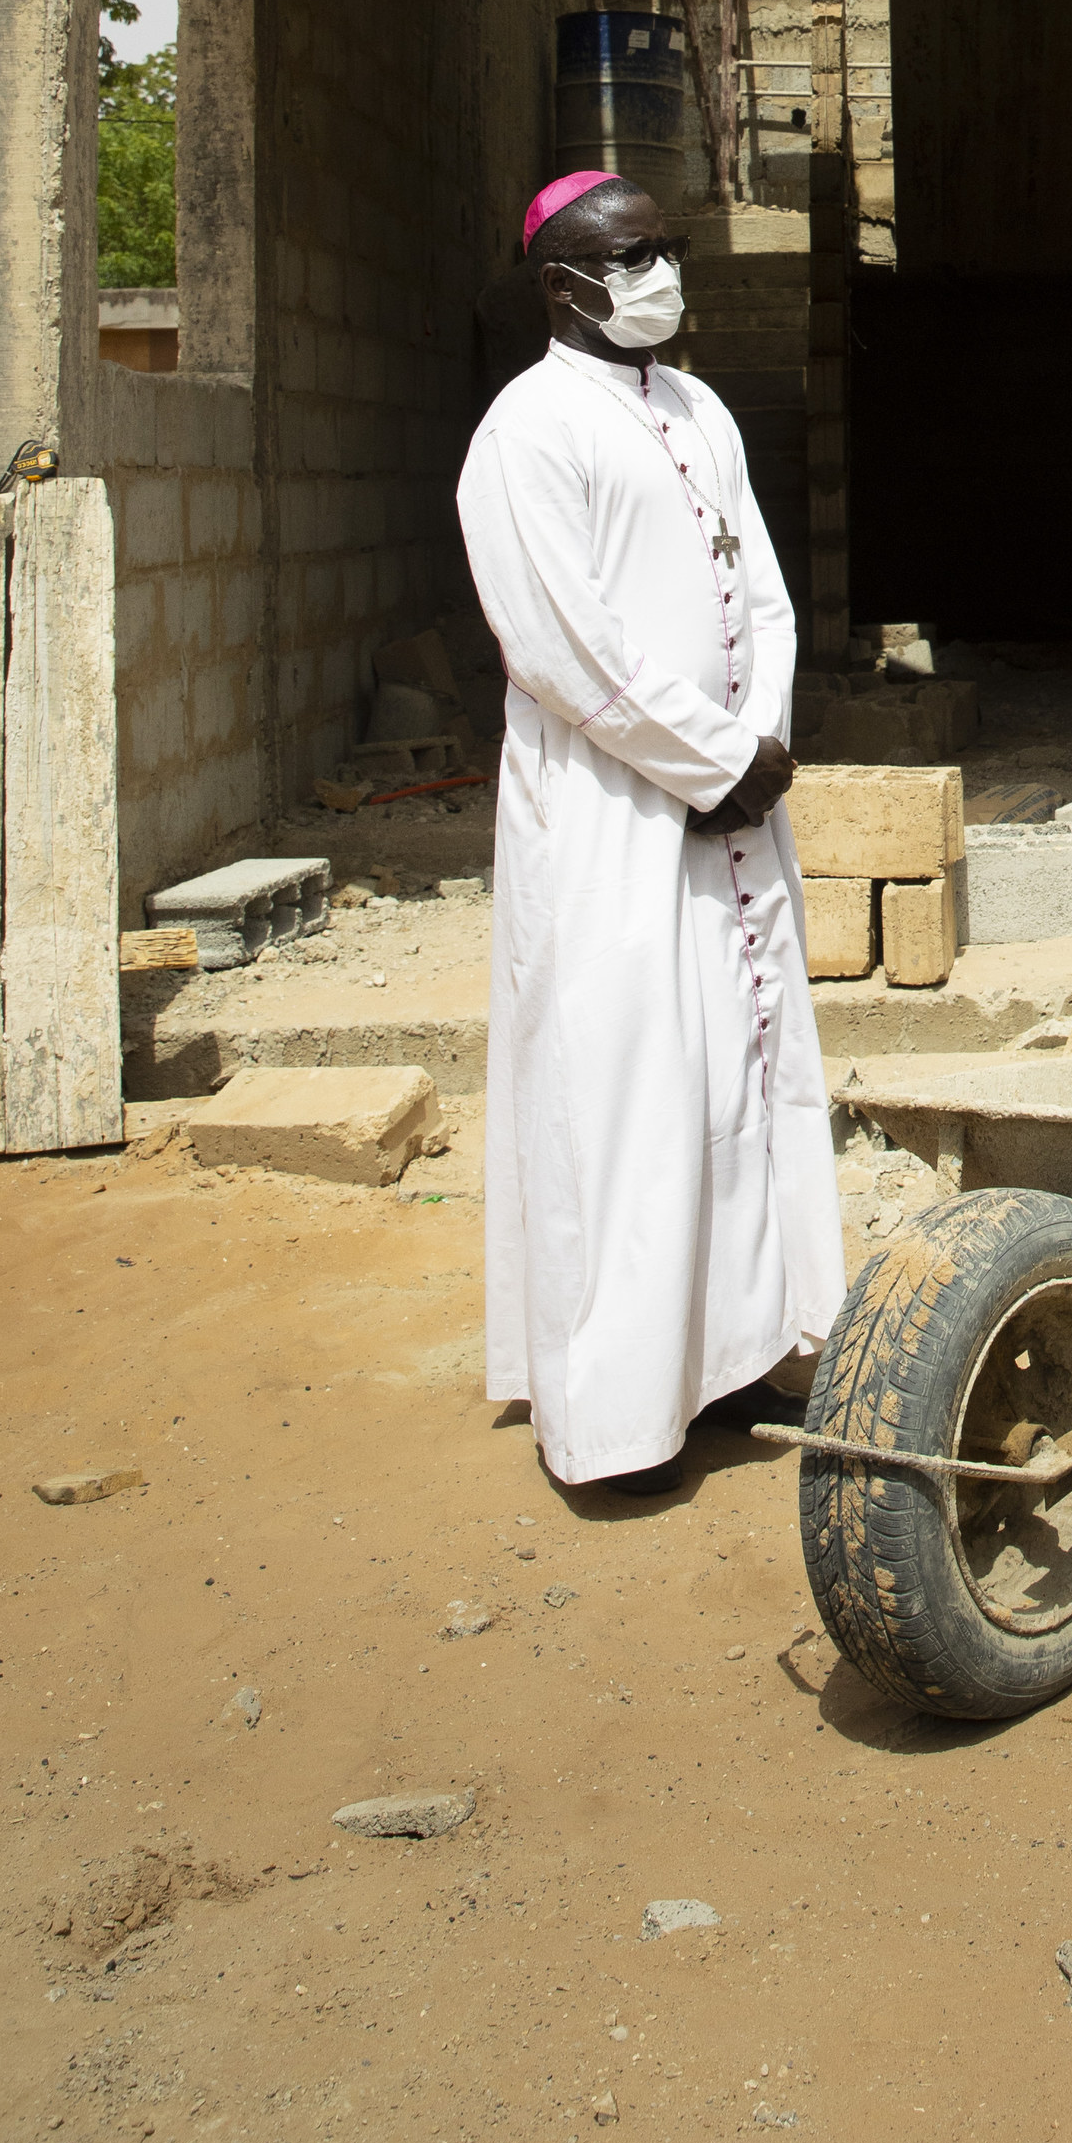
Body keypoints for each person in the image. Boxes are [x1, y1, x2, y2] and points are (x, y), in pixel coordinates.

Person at [456, 170, 844, 1501]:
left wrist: (761, 743)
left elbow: (766, 596)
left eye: (668, 253)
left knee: (736, 1080)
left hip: (731, 799)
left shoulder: (699, 405)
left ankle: (739, 1355)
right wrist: (707, 760)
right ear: (562, 283)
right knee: (619, 1099)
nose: (661, 279)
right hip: (616, 812)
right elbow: (567, 643)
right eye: (630, 260)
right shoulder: (526, 430)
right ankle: (616, 1418)